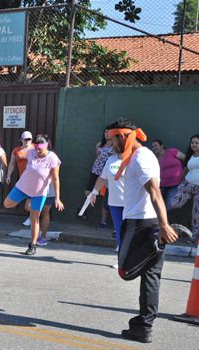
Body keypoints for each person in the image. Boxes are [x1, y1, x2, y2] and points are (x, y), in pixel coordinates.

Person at [106, 118, 178, 344]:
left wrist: (164, 226)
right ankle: (143, 326)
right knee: (150, 275)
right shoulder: (136, 157)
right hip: (144, 223)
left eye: (112, 140)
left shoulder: (142, 158)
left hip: (142, 224)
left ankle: (156, 243)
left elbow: (155, 192)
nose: (111, 145)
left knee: (125, 270)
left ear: (123, 136)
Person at [3, 134, 64, 255]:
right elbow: (19, 154)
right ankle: (29, 204)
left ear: (46, 146)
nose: (37, 151)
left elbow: (56, 179)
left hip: (39, 192)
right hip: (23, 186)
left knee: (34, 218)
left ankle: (33, 245)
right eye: (36, 148)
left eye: (40, 149)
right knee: (7, 204)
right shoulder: (31, 152)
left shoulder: (52, 158)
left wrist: (57, 198)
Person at [88, 145, 125, 263]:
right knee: (119, 230)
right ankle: (121, 260)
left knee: (128, 230)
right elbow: (103, 178)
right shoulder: (111, 160)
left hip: (130, 202)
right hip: (114, 202)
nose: (114, 146)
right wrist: (94, 192)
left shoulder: (132, 159)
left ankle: (130, 257)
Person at [168, 134, 199, 242]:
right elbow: (185, 170)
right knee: (174, 204)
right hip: (188, 184)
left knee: (196, 213)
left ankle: (194, 237)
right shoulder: (190, 156)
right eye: (192, 143)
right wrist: (179, 181)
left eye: (196, 143)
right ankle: (173, 226)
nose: (194, 145)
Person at [84, 128, 113, 227]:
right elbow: (97, 158)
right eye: (105, 132)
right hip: (96, 171)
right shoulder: (99, 145)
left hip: (107, 174)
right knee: (88, 192)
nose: (107, 134)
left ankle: (103, 221)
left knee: (105, 197)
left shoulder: (115, 146)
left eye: (109, 132)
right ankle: (85, 212)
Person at [6, 131, 34, 226]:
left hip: (34, 180)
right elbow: (12, 163)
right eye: (25, 139)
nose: (27, 141)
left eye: (29, 139)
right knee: (25, 204)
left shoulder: (35, 148)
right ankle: (36, 213)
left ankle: (32, 218)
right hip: (23, 180)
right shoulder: (16, 150)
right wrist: (8, 175)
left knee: (28, 205)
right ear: (21, 140)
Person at [150, 139, 185, 210]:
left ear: (161, 146)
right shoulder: (153, 159)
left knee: (169, 206)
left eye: (156, 145)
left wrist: (184, 173)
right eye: (152, 147)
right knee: (156, 206)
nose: (154, 148)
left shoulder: (172, 152)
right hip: (161, 186)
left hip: (175, 185)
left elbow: (186, 159)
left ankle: (167, 220)